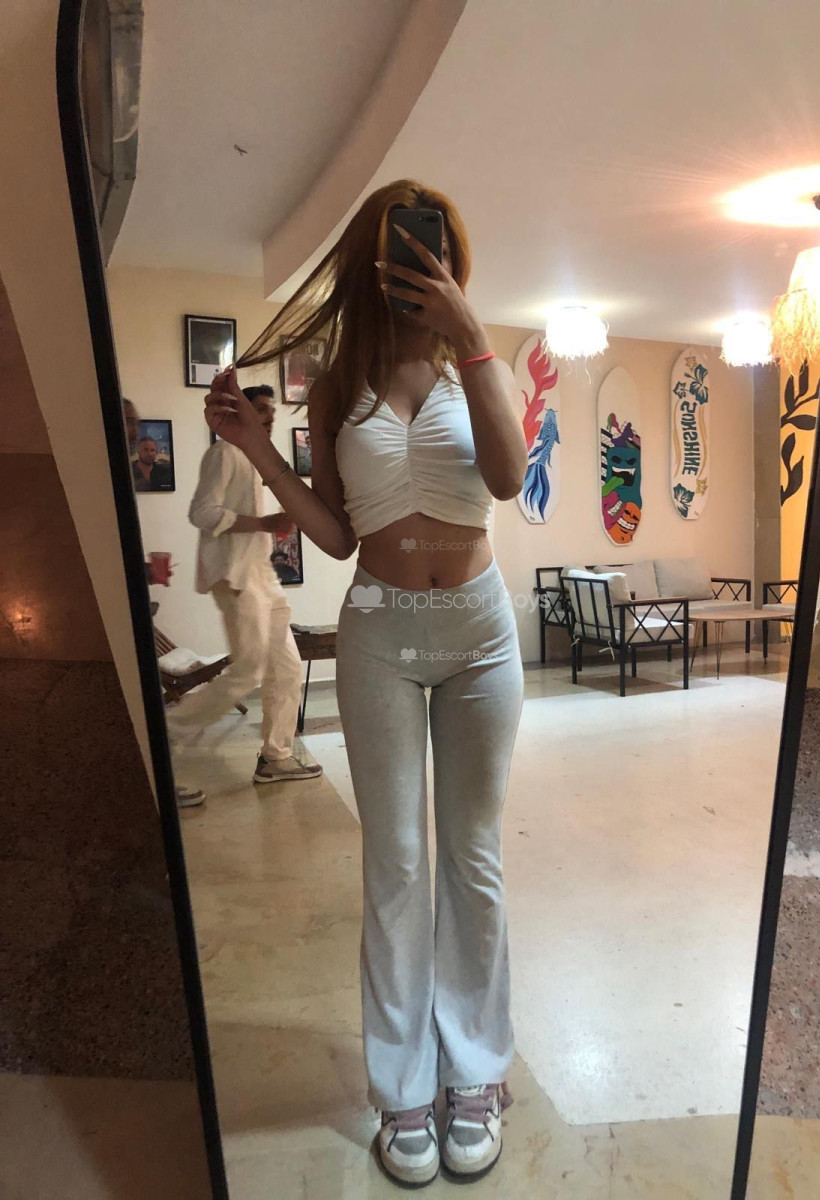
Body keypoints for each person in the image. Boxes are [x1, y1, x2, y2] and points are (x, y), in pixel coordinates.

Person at [204, 181, 526, 1187]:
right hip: (381, 631)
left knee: (471, 856)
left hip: (479, 636)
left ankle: (476, 1070)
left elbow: (508, 478)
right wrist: (258, 449)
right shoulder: (337, 383)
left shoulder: (478, 361)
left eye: (433, 249)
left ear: (453, 258)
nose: (418, 265)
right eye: (399, 250)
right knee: (395, 863)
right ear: (369, 262)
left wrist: (473, 337)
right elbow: (340, 535)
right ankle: (402, 1088)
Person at [166, 385, 322, 787]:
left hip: (263, 576)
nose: (270, 416)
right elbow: (202, 513)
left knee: (287, 669)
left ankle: (276, 757)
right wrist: (265, 523)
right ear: (242, 413)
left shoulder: (255, 458)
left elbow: (246, 519)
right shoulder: (223, 453)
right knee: (249, 670)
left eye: (272, 409)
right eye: (262, 408)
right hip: (236, 577)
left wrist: (270, 524)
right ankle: (164, 733)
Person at [122, 397, 205, 808]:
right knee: (141, 702)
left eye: (136, 429)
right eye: (129, 426)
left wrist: (144, 570)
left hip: (131, 596)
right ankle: (157, 792)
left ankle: (158, 787)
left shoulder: (119, 473)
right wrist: (141, 571)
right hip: (121, 609)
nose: (135, 434)